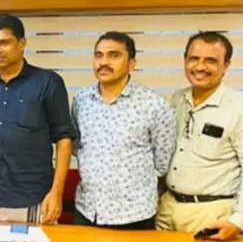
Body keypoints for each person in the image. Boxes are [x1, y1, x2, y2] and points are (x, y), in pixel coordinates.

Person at [0, 13, 77, 224]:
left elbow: (64, 139)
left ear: (22, 43)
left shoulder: (48, 82)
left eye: (4, 42)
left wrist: (56, 193)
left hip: (34, 197)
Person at [158, 31, 243, 241]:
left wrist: (238, 220)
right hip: (166, 209)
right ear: (185, 60)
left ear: (226, 66)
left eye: (211, 61)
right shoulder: (174, 101)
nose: (200, 67)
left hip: (211, 214)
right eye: (194, 59)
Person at [71, 32, 176, 229]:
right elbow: (77, 147)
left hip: (134, 214)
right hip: (87, 210)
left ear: (131, 64)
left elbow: (161, 163)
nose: (104, 62)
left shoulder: (154, 105)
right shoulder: (81, 100)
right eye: (98, 55)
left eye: (114, 55)